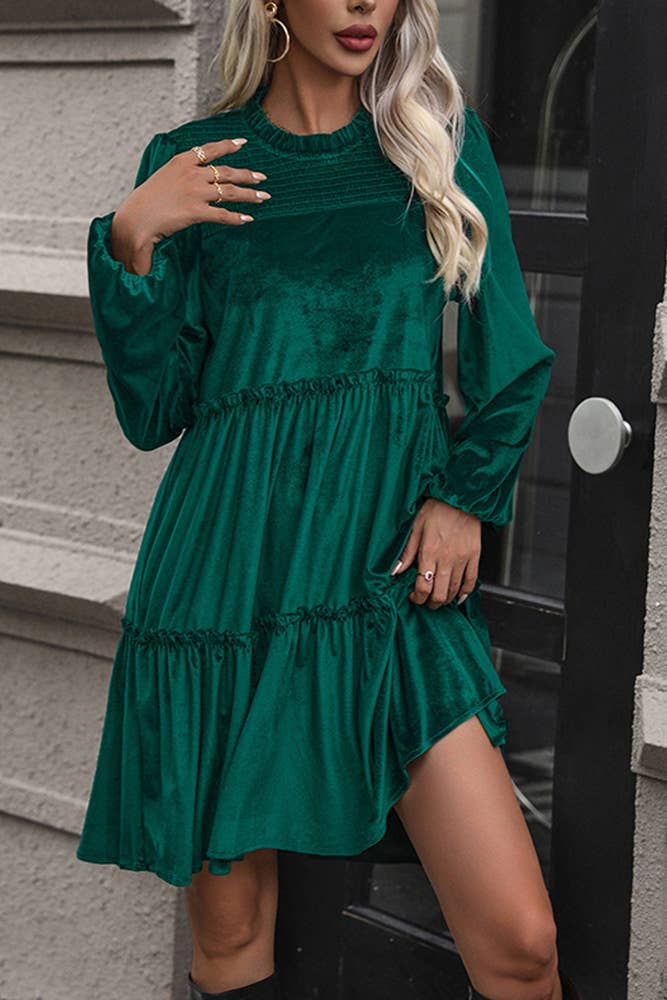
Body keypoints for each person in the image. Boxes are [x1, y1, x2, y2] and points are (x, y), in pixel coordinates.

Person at [75, 0, 579, 998]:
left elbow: (511, 358)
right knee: (231, 939)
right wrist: (132, 236)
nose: (362, 5)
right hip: (228, 579)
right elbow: (155, 408)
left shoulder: (434, 147)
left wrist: (465, 497)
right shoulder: (193, 162)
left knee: (521, 944)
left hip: (388, 574)